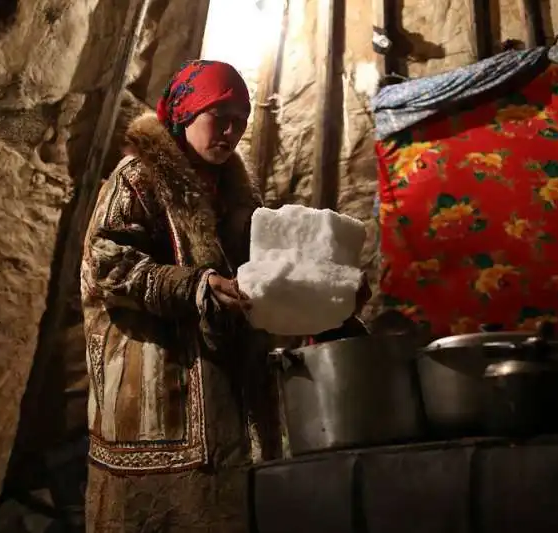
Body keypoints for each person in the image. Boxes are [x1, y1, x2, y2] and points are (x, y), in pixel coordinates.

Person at [80, 60, 370, 533]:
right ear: (186, 112)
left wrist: (330, 295)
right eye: (220, 116)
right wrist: (192, 285)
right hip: (158, 382)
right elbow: (107, 263)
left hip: (225, 389)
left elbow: (266, 278)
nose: (232, 130)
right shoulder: (137, 178)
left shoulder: (238, 196)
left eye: (241, 118)